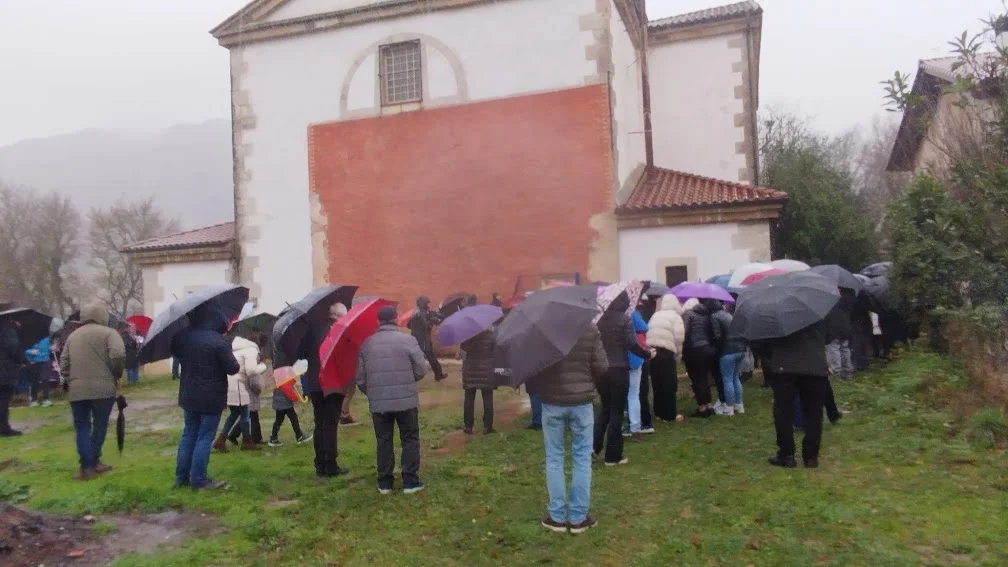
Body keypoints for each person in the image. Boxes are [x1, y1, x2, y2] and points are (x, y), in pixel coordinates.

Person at [528, 324, 608, 534]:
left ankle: (556, 516)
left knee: (554, 457)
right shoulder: (590, 330)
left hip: (552, 402)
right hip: (582, 403)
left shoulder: (544, 331)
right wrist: (588, 379)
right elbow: (602, 366)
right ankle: (578, 517)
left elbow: (534, 368)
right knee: (582, 458)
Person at [355, 305, 430, 494]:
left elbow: (361, 379)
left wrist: (374, 392)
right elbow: (422, 369)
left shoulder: (366, 344)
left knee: (383, 440)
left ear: (378, 321)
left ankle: (385, 483)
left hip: (379, 403)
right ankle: (410, 481)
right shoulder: (408, 340)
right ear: (396, 319)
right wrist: (408, 380)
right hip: (406, 401)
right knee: (410, 438)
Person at [171, 303, 240, 490]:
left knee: (188, 434)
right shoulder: (218, 341)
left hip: (189, 394)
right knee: (204, 437)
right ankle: (199, 480)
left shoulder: (182, 337)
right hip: (211, 397)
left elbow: (177, 354)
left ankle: (181, 478)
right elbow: (233, 368)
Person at [753, 320, 831, 469]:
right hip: (815, 366)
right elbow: (829, 335)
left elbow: (760, 343)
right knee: (814, 412)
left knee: (783, 411)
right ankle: (811, 456)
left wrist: (773, 356)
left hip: (785, 367)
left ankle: (786, 454)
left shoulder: (775, 317)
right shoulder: (817, 314)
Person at [60, 303, 125, 480]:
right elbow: (118, 355)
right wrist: (117, 373)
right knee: (100, 424)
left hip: (77, 390)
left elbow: (64, 361)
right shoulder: (110, 333)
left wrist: (68, 378)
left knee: (82, 427)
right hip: (103, 388)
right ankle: (95, 461)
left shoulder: (73, 336)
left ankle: (86, 467)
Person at [593, 292, 652, 465]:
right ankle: (613, 456)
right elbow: (632, 343)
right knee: (616, 412)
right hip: (619, 369)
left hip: (602, 370)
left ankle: (594, 447)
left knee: (605, 408)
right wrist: (647, 354)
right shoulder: (625, 319)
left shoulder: (599, 320)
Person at [302, 303, 350, 478]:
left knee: (319, 423)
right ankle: (331, 465)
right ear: (339, 315)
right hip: (332, 382)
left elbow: (304, 353)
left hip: (314, 382)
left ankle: (320, 465)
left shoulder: (312, 329)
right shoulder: (337, 331)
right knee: (330, 424)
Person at [216, 335, 267, 452]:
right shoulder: (251, 350)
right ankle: (246, 441)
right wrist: (263, 366)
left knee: (234, 414)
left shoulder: (235, 350)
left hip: (228, 383)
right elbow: (251, 370)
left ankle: (221, 440)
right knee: (244, 413)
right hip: (238, 384)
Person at [645, 294, 685, 422]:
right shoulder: (675, 317)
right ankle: (669, 414)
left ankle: (658, 412)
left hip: (652, 352)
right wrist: (678, 354)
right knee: (669, 384)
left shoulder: (655, 315)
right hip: (667, 352)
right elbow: (679, 338)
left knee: (657, 383)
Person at [682, 298, 717, 417]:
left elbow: (685, 332)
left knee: (696, 379)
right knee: (704, 377)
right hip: (707, 349)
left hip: (694, 350)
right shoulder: (706, 314)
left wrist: (683, 349)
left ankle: (702, 408)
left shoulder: (688, 314)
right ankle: (709, 405)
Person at [711, 301, 746, 415]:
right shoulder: (729, 314)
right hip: (740, 349)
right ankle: (739, 406)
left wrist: (716, 350)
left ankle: (729, 408)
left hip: (727, 351)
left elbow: (717, 336)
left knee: (727, 379)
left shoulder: (714, 316)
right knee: (735, 377)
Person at [460, 329, 497, 435]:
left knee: (469, 399)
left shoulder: (466, 335)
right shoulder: (491, 336)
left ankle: (468, 427)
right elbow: (495, 353)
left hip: (470, 371)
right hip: (487, 372)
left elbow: (462, 354)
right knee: (487, 398)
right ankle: (487, 427)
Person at [624, 309, 649, 439]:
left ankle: (618, 425)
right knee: (633, 394)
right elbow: (644, 327)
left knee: (618, 395)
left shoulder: (606, 315)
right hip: (634, 358)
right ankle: (635, 427)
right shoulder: (631, 313)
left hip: (616, 361)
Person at [408, 296, 446, 381]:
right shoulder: (420, 313)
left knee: (419, 357)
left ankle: (438, 375)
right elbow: (426, 326)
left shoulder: (416, 312)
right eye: (426, 304)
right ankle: (438, 375)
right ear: (423, 304)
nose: (428, 305)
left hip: (418, 338)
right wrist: (433, 320)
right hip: (423, 340)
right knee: (430, 357)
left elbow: (409, 325)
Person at [1, 319, 27, 437]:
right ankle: (4, 428)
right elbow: (15, 349)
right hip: (4, 371)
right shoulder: (6, 329)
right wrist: (23, 360)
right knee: (3, 400)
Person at [826, 289, 855, 381]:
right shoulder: (848, 294)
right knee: (845, 349)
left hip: (832, 327)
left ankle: (836, 373)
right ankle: (847, 372)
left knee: (834, 349)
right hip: (845, 325)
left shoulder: (827, 295)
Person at [25, 336, 52, 407]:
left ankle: (46, 399)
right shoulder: (29, 338)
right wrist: (30, 351)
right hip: (34, 361)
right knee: (35, 380)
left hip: (45, 360)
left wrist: (51, 349)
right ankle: (34, 400)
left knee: (45, 379)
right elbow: (24, 350)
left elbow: (49, 350)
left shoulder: (46, 339)